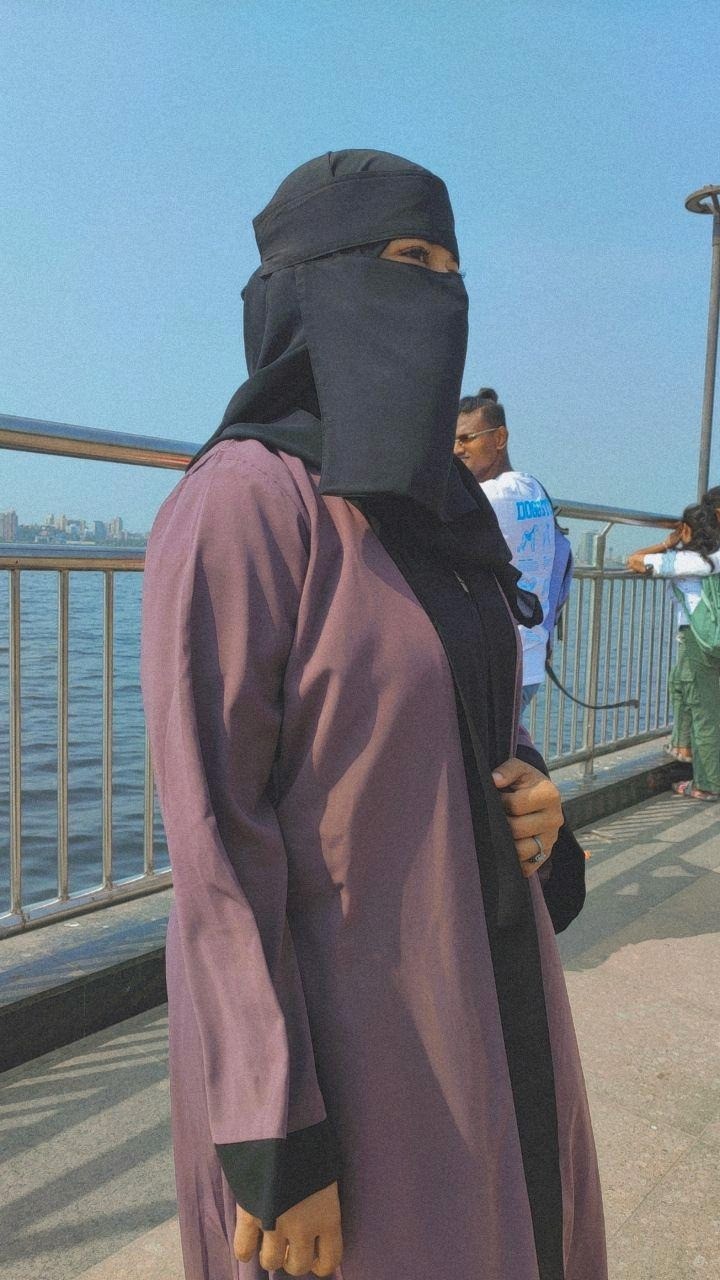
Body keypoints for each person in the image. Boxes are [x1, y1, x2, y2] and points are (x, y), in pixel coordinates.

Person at [141, 149, 606, 1280]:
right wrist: (275, 1130)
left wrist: (541, 798)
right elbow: (214, 840)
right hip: (341, 1057)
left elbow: (475, 710)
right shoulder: (244, 505)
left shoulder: (437, 509)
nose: (439, 293)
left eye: (451, 265)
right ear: (310, 285)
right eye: (407, 259)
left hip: (485, 1004)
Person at [454, 390, 569, 714]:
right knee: (502, 757)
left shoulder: (491, 496)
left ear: (500, 437)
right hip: (528, 658)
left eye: (467, 438)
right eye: (453, 439)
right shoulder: (533, 488)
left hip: (497, 663)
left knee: (478, 763)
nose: (456, 449)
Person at [628, 503, 720, 798]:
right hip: (711, 638)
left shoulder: (688, 562)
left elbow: (635, 560)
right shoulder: (716, 557)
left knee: (704, 712)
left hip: (701, 640)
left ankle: (707, 785)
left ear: (688, 530)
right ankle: (691, 756)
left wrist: (667, 543)